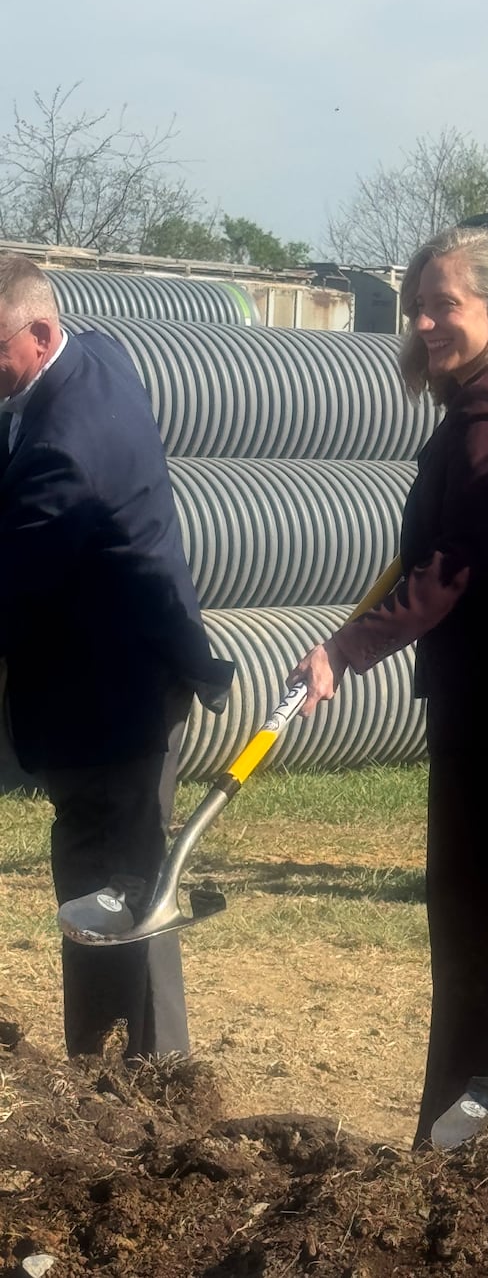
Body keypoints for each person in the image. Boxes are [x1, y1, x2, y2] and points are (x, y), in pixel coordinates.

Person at [290, 225, 488, 1148]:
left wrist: (344, 652)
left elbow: (447, 569)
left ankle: (466, 1124)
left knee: (477, 911)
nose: (427, 322)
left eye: (447, 306)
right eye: (418, 306)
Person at [0, 256, 233, 1059]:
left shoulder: (63, 449)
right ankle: (99, 1060)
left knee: (130, 889)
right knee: (100, 882)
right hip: (112, 680)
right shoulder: (98, 357)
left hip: (109, 699)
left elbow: (10, 585)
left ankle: (157, 1074)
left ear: (39, 332)